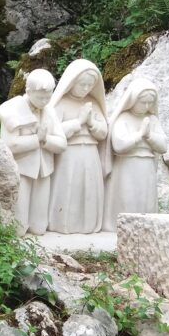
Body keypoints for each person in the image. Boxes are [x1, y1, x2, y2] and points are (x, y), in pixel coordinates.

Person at [0, 69, 67, 235]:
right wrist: (36, 139)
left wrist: (45, 139)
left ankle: (36, 226)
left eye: (48, 97)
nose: (44, 101)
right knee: (18, 228)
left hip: (44, 170)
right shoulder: (12, 111)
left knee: (39, 228)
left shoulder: (49, 111)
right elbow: (9, 145)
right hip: (22, 169)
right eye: (40, 97)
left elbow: (62, 143)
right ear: (28, 92)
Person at [47, 59, 108, 234]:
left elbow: (103, 132)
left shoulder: (93, 103)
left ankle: (88, 224)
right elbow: (54, 131)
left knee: (89, 189)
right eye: (82, 84)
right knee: (68, 188)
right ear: (72, 81)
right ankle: (63, 223)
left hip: (90, 153)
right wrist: (78, 121)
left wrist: (91, 123)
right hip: (68, 154)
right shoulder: (61, 103)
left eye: (90, 85)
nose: (86, 88)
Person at [102, 78, 167, 231]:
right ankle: (125, 229)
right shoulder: (122, 118)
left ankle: (145, 228)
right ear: (133, 99)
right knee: (127, 197)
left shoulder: (152, 120)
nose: (146, 106)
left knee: (146, 199)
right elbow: (119, 145)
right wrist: (140, 135)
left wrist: (149, 136)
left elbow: (163, 146)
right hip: (127, 165)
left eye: (150, 103)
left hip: (146, 165)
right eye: (143, 102)